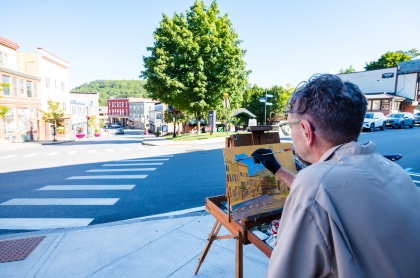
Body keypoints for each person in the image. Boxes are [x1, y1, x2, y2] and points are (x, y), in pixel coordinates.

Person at [252, 74, 420, 278]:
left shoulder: (314, 185)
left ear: (306, 131)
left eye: (290, 127)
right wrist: (277, 169)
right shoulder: (394, 171)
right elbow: (328, 194)